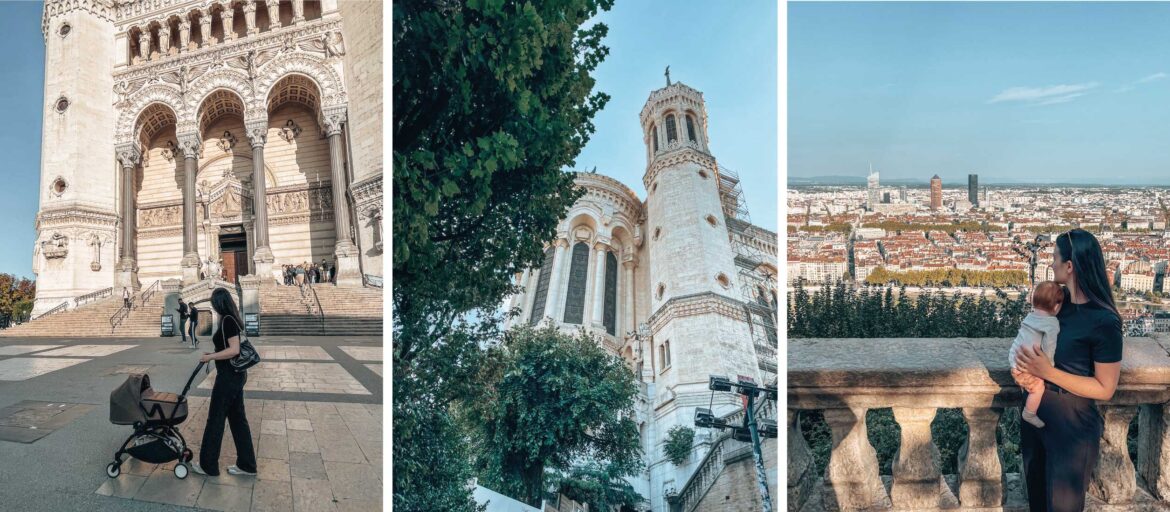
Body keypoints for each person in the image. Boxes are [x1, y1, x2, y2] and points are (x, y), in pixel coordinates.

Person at [1014, 228, 1123, 511]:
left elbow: (1105, 388)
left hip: (1071, 431)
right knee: (1037, 505)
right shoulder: (1058, 305)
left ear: (1070, 266)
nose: (1051, 264)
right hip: (1036, 421)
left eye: (1055, 258)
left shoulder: (1104, 321)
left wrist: (1046, 372)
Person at [190, 288, 258, 478]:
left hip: (229, 376)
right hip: (234, 375)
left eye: (213, 302)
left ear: (219, 303)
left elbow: (234, 350)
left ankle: (208, 465)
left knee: (216, 419)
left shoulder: (228, 320)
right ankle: (247, 465)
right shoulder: (230, 318)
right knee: (237, 420)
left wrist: (210, 356)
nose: (212, 305)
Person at [1008, 281, 1063, 428]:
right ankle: (1029, 413)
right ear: (1057, 306)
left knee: (1029, 385)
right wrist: (1049, 366)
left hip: (1014, 361)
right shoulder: (1051, 323)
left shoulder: (1030, 317)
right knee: (1038, 388)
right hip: (1026, 367)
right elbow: (1049, 346)